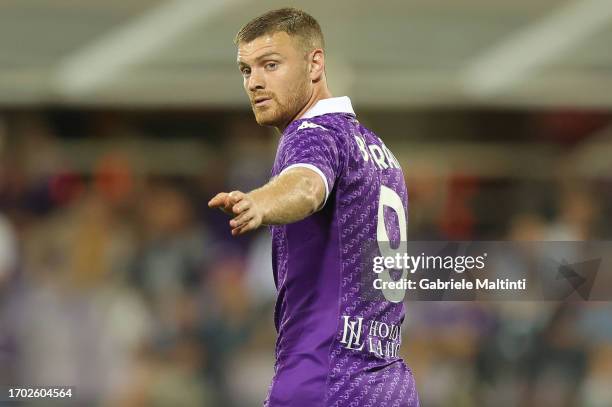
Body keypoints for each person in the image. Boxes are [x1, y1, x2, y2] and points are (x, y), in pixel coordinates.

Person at [209, 8, 419, 406]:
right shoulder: (379, 151)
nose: (254, 82)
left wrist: (259, 201)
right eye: (246, 71)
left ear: (315, 63)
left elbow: (306, 185)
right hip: (389, 385)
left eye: (270, 65)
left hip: (324, 379)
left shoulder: (312, 134)